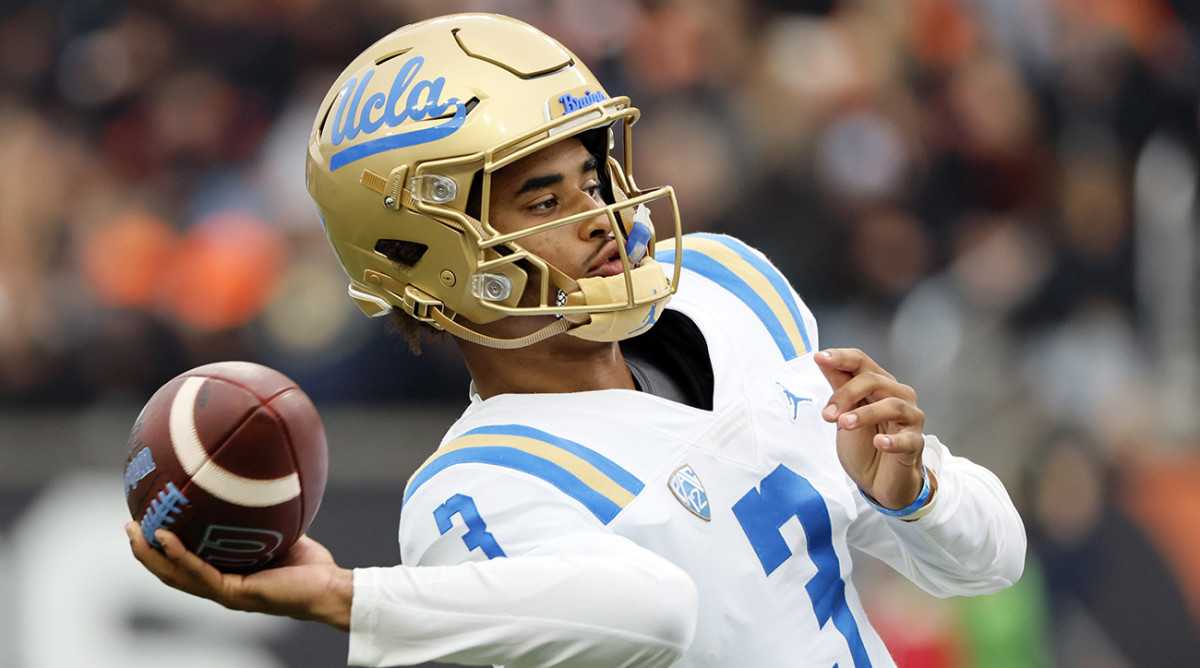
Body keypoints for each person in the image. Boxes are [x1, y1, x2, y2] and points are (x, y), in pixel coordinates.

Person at [126, 12, 1026, 667]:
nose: (600, 216)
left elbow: (990, 561)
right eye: (545, 201)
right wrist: (346, 598)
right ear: (432, 261)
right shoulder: (477, 489)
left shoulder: (728, 284)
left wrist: (915, 494)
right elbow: (653, 613)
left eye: (591, 175)